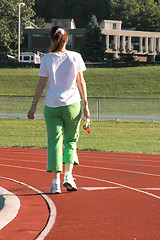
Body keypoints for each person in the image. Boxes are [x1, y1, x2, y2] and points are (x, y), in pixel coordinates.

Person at [27, 26, 90, 194]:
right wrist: (86, 105)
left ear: (52, 39)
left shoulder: (47, 59)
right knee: (70, 141)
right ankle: (68, 176)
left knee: (54, 142)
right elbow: (81, 82)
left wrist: (33, 106)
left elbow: (41, 83)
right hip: (72, 105)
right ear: (66, 39)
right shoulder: (75, 57)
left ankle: (55, 183)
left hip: (52, 106)